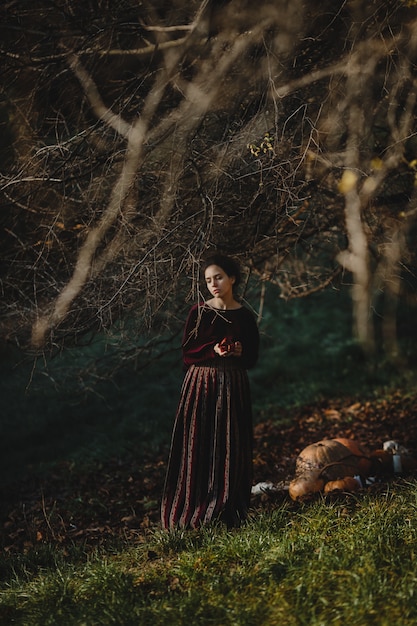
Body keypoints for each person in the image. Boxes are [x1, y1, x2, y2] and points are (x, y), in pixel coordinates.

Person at [161, 253, 260, 530]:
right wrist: (212, 350)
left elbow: (252, 358)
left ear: (232, 278)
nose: (213, 284)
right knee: (198, 444)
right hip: (201, 385)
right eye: (208, 280)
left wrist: (239, 352)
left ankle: (227, 508)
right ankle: (194, 508)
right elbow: (187, 353)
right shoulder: (199, 312)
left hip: (233, 385)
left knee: (230, 445)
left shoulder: (245, 317)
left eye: (218, 277)